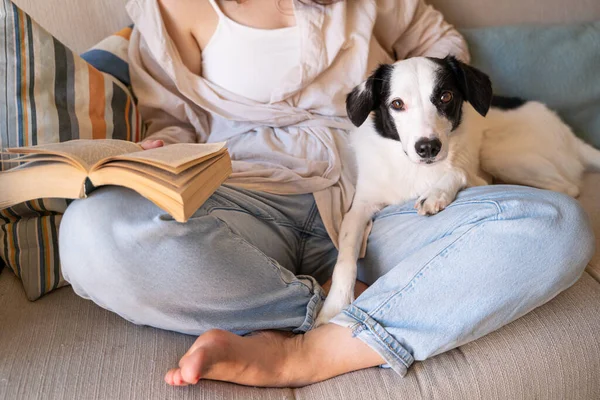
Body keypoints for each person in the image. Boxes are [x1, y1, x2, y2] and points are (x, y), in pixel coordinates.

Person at [58, 0, 595, 388]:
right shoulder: (171, 9)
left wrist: (410, 106)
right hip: (245, 193)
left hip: (382, 195)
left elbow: (443, 55)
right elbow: (171, 120)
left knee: (556, 225)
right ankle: (320, 303)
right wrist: (160, 147)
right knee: (90, 232)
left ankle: (311, 349)